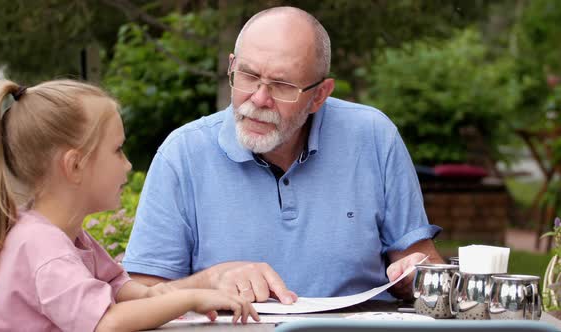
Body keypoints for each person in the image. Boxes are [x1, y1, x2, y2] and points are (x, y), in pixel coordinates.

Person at [123, 6, 444, 303]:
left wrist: (416, 276)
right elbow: (141, 297)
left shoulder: (373, 135)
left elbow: (423, 266)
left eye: (282, 85)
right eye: (248, 76)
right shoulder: (182, 154)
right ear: (232, 66)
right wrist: (211, 280)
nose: (259, 98)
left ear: (319, 94)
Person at [0, 80, 259, 331]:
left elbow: (119, 287)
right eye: (117, 150)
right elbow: (105, 322)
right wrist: (191, 298)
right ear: (74, 166)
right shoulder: (44, 249)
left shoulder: (66, 237)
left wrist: (170, 293)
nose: (128, 164)